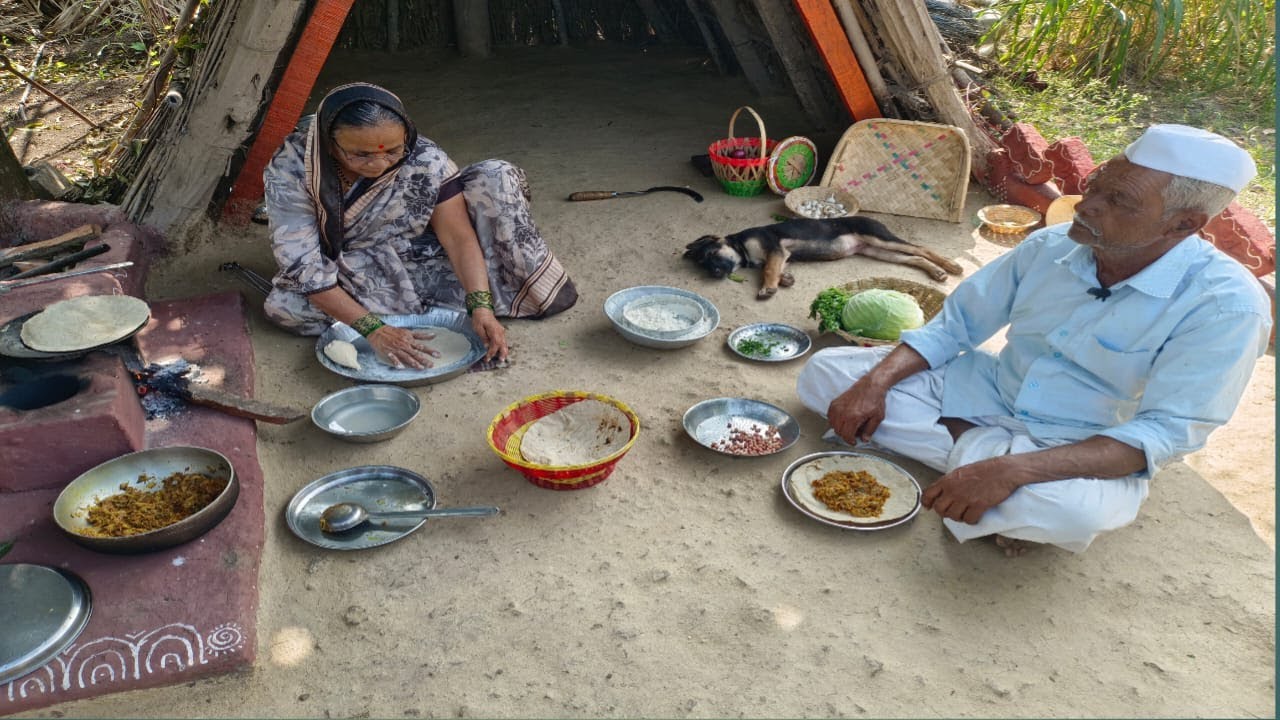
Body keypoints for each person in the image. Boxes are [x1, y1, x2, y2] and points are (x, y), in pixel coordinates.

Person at [796, 124, 1271, 556]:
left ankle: (987, 472)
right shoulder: (1052, 244)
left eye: (1119, 201)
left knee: (1072, 511)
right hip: (990, 394)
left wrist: (1013, 471)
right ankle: (983, 476)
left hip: (1082, 445)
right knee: (830, 375)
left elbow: (1164, 433)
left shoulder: (1227, 307)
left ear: (1183, 224)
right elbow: (954, 326)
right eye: (1095, 186)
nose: (1087, 205)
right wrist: (875, 384)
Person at [262, 82, 577, 367]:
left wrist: (480, 306)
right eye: (360, 154)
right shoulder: (293, 168)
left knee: (496, 180)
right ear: (330, 144)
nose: (379, 164)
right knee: (285, 306)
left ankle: (427, 306)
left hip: (419, 255)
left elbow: (458, 238)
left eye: (393, 151)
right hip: (348, 265)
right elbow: (304, 267)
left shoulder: (424, 158)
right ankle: (400, 311)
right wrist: (374, 330)